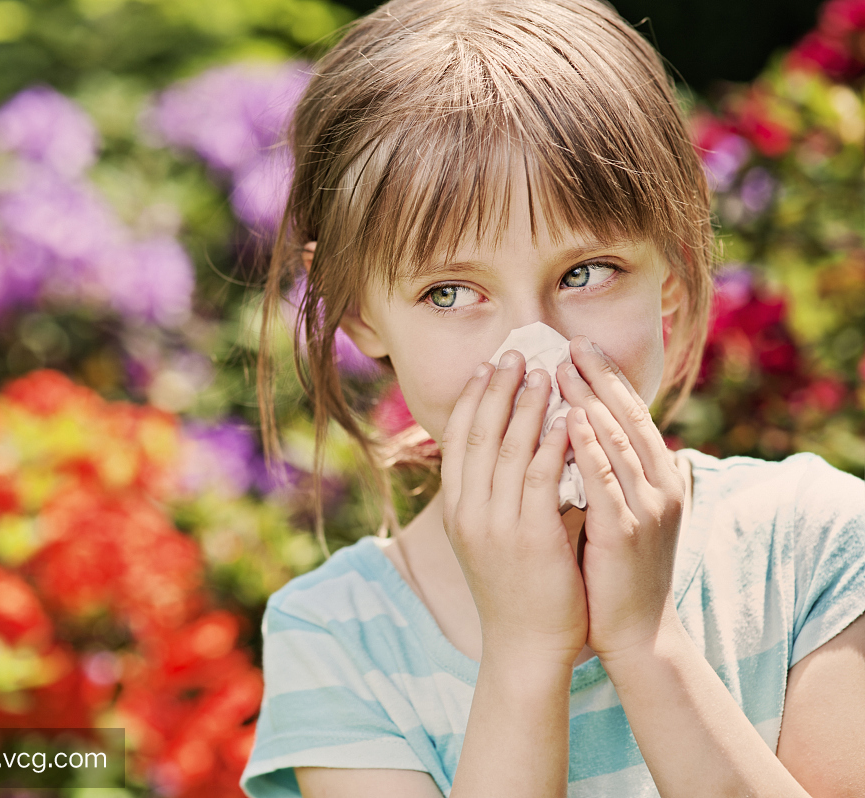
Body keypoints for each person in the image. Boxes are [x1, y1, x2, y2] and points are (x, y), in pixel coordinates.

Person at [240, 0, 865, 795]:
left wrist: (647, 643)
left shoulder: (811, 547)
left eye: (583, 273)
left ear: (670, 272)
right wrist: (524, 653)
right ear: (360, 311)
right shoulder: (335, 637)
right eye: (450, 292)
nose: (533, 350)